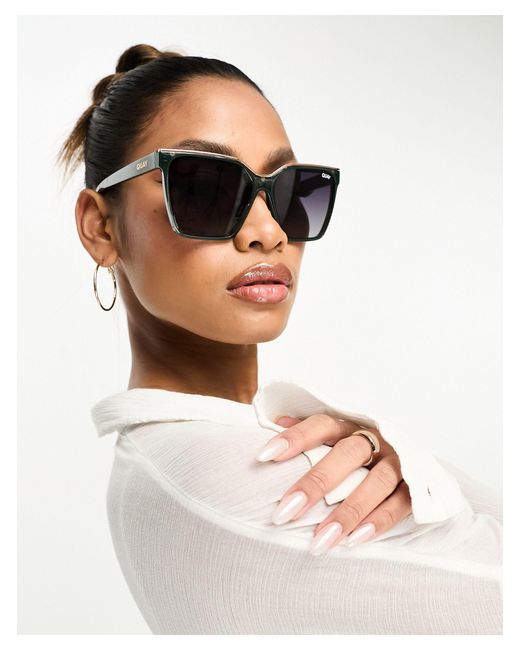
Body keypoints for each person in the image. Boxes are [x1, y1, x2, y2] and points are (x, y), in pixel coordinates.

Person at [57, 43, 502, 634]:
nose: (268, 232)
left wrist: (401, 461)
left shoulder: (185, 460)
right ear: (100, 227)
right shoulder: (224, 480)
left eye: (291, 191)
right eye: (206, 188)